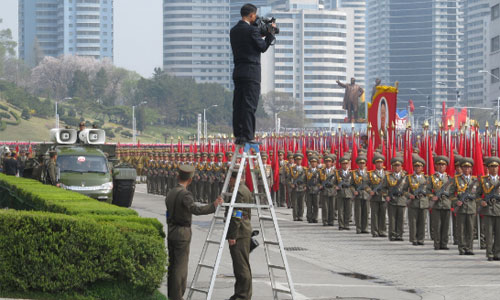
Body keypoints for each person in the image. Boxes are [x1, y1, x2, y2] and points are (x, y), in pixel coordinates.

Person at [165, 164, 223, 300]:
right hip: (182, 233)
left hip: (172, 230)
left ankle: (172, 295)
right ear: (190, 180)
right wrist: (213, 206)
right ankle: (177, 296)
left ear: (178, 176)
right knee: (180, 268)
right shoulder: (185, 194)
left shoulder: (171, 192)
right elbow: (195, 210)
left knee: (172, 265)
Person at [230, 3, 275, 145]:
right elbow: (262, 47)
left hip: (238, 71)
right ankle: (248, 136)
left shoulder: (234, 30)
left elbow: (248, 40)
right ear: (251, 15)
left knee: (238, 104)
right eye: (255, 15)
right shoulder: (251, 31)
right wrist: (270, 34)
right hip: (251, 72)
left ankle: (239, 135)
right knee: (250, 104)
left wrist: (260, 31)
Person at [226, 171, 253, 300]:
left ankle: (243, 295)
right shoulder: (245, 189)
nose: (229, 181)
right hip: (244, 229)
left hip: (240, 232)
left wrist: (232, 235)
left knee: (241, 265)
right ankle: (239, 293)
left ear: (233, 178)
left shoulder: (239, 191)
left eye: (230, 178)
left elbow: (237, 214)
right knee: (240, 265)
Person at [450, 157, 479, 255]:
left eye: (468, 167)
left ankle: (469, 248)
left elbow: (479, 194)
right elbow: (450, 194)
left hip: (471, 208)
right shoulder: (456, 179)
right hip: (461, 208)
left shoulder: (475, 180)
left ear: (471, 169)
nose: (466, 169)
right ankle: (462, 248)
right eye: (464, 167)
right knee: (461, 229)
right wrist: (456, 202)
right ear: (461, 168)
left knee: (471, 229)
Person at [477, 156, 500, 261]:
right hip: (488, 210)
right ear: (488, 168)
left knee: (499, 233)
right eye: (492, 167)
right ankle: (489, 253)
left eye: (496, 166)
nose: (494, 169)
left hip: (499, 210)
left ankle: (497, 253)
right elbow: (476, 195)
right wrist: (480, 202)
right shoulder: (483, 180)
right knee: (489, 233)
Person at [405, 156, 429, 246]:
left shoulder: (427, 179)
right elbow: (403, 190)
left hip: (423, 202)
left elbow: (430, 190)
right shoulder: (409, 178)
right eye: (416, 166)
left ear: (422, 168)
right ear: (414, 168)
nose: (418, 168)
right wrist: (409, 195)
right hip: (413, 202)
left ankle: (421, 239)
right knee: (413, 222)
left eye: (419, 166)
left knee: (422, 222)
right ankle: (413, 239)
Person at [430, 156, 452, 250]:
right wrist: (432, 197)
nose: (441, 166)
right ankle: (437, 244)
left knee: (445, 225)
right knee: (437, 225)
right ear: (436, 166)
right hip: (436, 205)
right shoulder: (432, 178)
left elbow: (453, 191)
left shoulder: (450, 179)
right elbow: (426, 190)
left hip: (446, 204)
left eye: (443, 165)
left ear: (446, 166)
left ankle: (444, 244)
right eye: (439, 165)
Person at [383, 157, 407, 241]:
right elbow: (384, 188)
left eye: (398, 166)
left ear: (401, 167)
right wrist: (386, 195)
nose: (397, 168)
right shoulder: (388, 177)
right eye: (395, 166)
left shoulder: (406, 177)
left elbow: (408, 188)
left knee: (401, 218)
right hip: (392, 200)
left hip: (402, 199)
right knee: (392, 219)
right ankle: (392, 235)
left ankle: (399, 235)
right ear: (392, 167)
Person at [369, 154, 388, 237]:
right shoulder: (370, 174)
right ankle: (375, 231)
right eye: (378, 163)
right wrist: (370, 191)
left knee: (383, 214)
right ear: (375, 164)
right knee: (375, 214)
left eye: (381, 162)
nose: (379, 164)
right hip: (374, 197)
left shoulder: (387, 174)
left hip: (383, 197)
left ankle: (382, 231)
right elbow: (365, 184)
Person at [352, 156, 370, 234]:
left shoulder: (369, 174)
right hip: (358, 194)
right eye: (360, 163)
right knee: (358, 212)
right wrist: (354, 191)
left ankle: (365, 228)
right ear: (358, 164)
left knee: (366, 212)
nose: (362, 165)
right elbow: (351, 184)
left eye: (363, 163)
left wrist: (370, 192)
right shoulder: (354, 173)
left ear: (365, 164)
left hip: (366, 194)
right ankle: (358, 228)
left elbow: (371, 184)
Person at [336, 156, 354, 230]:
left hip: (349, 192)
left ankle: (346, 224)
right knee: (340, 210)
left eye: (346, 164)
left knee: (348, 210)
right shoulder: (337, 173)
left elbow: (354, 184)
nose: (345, 165)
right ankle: (341, 225)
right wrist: (336, 187)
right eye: (343, 164)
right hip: (340, 193)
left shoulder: (352, 174)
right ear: (341, 164)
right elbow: (334, 183)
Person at [320, 154, 338, 226]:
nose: (328, 163)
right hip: (324, 191)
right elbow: (318, 181)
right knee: (325, 207)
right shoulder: (321, 171)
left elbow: (338, 182)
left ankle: (331, 221)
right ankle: (325, 220)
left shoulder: (335, 172)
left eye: (329, 162)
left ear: (332, 163)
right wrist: (320, 186)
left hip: (332, 191)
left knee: (332, 207)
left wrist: (336, 187)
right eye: (326, 162)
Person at [290, 153, 306, 221]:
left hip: (302, 188)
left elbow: (307, 179)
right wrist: (291, 184)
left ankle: (300, 216)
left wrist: (305, 185)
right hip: (295, 188)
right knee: (295, 203)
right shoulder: (292, 169)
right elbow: (288, 179)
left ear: (301, 160)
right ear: (295, 161)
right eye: (297, 160)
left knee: (301, 203)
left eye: (299, 160)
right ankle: (295, 216)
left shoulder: (304, 169)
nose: (298, 161)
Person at [305, 155, 321, 223]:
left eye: (315, 162)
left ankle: (315, 217)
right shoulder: (306, 171)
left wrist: (319, 186)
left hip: (316, 189)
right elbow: (304, 180)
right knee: (309, 204)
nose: (313, 163)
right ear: (310, 163)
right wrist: (305, 186)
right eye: (312, 162)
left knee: (316, 205)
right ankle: (309, 217)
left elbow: (321, 181)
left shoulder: (319, 171)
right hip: (309, 189)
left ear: (317, 163)